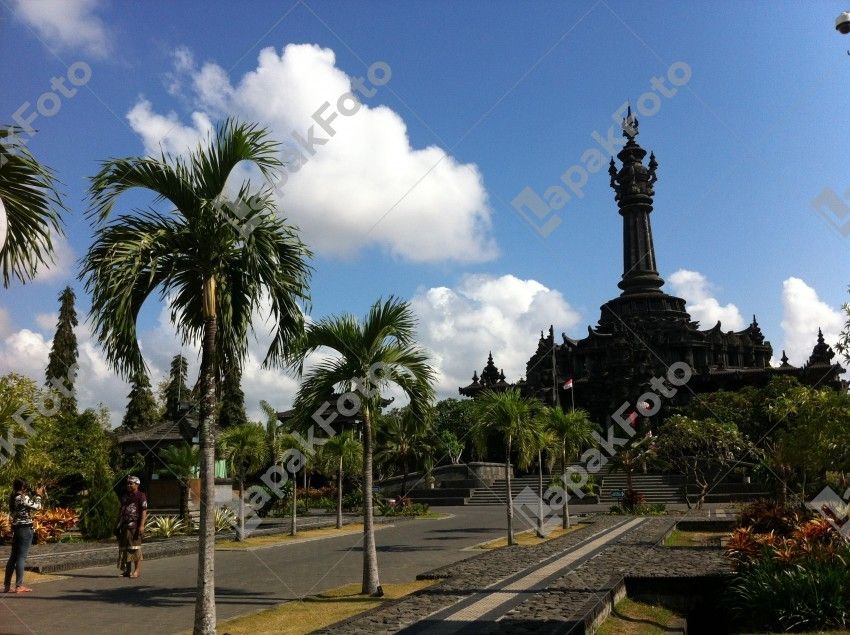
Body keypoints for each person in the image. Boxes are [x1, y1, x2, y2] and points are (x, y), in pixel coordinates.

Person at [4, 479, 44, 593]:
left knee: (13, 557)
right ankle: (19, 585)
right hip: (25, 529)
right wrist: (38, 495)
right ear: (23, 488)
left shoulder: (13, 498)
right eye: (26, 487)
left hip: (17, 529)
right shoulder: (23, 498)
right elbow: (38, 506)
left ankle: (7, 585)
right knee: (21, 557)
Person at [116, 475, 147, 578]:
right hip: (124, 526)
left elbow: (144, 511)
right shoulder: (125, 496)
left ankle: (137, 571)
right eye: (128, 483)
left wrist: (142, 525)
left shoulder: (141, 495)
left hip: (134, 526)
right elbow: (121, 510)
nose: (128, 485)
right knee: (125, 548)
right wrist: (118, 524)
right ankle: (127, 571)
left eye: (131, 483)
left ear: (137, 484)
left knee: (135, 548)